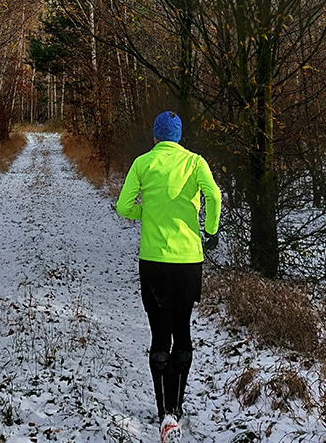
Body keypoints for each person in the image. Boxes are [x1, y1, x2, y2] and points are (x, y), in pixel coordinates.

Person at [116, 110, 221, 443]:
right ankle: (178, 407)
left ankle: (165, 415)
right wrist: (210, 229)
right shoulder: (195, 162)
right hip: (189, 261)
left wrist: (146, 212)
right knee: (183, 331)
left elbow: (122, 206)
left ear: (155, 136)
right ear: (179, 137)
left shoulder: (143, 163)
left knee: (160, 336)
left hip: (154, 262)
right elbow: (214, 195)